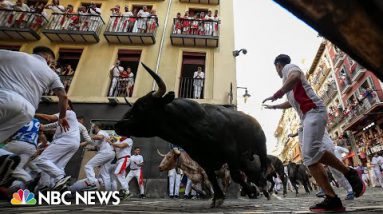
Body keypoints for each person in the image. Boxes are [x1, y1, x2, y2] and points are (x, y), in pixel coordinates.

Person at [263, 54, 365, 212]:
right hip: (307, 117)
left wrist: (278, 93)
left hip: (314, 111)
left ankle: (339, 189)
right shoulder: (288, 83)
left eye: (276, 67)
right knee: (311, 156)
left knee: (310, 155)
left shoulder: (289, 69)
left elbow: (296, 76)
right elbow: (290, 103)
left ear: (278, 65)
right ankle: (338, 189)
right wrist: (274, 106)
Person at [0, 46, 69, 144]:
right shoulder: (52, 74)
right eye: (52, 62)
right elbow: (64, 96)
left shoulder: (14, 55)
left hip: (5, 96)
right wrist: (62, 117)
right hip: (28, 111)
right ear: (48, 57)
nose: (51, 64)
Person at [33, 100, 79, 191]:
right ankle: (48, 186)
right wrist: (40, 126)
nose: (61, 105)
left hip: (66, 141)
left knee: (41, 160)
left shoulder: (68, 112)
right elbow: (46, 126)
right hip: (73, 143)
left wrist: (34, 114)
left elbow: (51, 118)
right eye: (60, 104)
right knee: (56, 166)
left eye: (64, 103)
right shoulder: (64, 119)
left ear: (69, 106)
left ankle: (60, 178)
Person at [83, 123, 115, 190]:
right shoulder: (103, 133)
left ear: (96, 127)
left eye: (93, 128)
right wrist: (90, 148)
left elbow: (100, 137)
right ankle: (109, 193)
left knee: (88, 166)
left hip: (105, 153)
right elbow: (99, 145)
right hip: (110, 153)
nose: (92, 129)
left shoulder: (101, 132)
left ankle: (93, 183)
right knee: (104, 173)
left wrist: (88, 139)